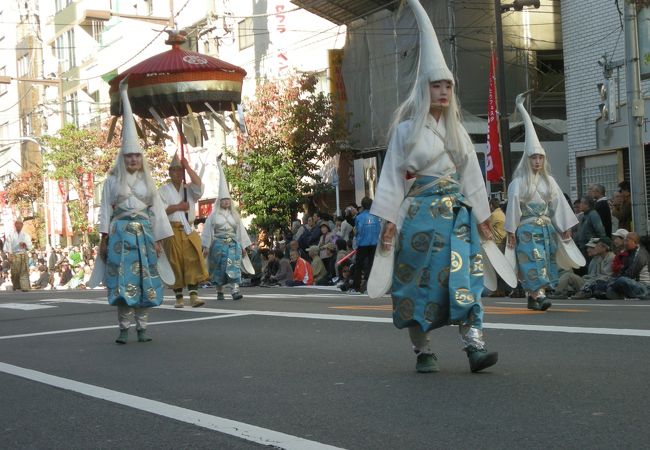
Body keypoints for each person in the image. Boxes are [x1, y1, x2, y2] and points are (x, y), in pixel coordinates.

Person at [369, 0, 504, 374]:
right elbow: (393, 178)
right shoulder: (405, 131)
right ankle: (423, 349)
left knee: (466, 277)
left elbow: (471, 177)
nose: (444, 91)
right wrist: (389, 221)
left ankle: (475, 346)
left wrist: (482, 216)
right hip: (418, 217)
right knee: (415, 284)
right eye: (437, 85)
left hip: (456, 218)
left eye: (448, 86)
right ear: (424, 88)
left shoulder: (457, 131)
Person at [97, 79, 173, 344]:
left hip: (144, 237)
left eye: (136, 156)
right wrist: (103, 239)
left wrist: (159, 242)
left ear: (141, 158)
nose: (132, 159)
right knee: (122, 280)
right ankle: (123, 328)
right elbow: (105, 210)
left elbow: (158, 214)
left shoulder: (148, 183)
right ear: (122, 157)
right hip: (120, 236)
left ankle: (142, 328)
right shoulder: (112, 181)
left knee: (144, 281)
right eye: (128, 155)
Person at [505, 92, 579, 312]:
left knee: (545, 260)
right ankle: (537, 294)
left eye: (540, 157)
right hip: (527, 228)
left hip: (546, 228)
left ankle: (536, 295)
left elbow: (557, 206)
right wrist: (511, 230)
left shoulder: (550, 182)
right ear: (527, 160)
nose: (537, 161)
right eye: (533, 158)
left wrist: (564, 227)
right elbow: (513, 208)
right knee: (531, 261)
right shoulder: (518, 183)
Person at [159, 154, 209, 308]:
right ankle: (179, 296)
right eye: (174, 170)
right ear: (169, 172)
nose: (178, 173)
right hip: (171, 230)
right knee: (175, 262)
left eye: (180, 171)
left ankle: (194, 296)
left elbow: (199, 184)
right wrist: (178, 207)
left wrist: (187, 166)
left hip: (188, 228)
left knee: (192, 259)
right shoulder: (162, 190)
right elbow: (160, 211)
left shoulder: (188, 189)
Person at [201, 160, 252, 301]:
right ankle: (219, 290)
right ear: (219, 202)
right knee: (219, 269)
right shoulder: (213, 216)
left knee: (234, 267)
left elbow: (240, 231)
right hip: (218, 245)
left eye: (228, 200)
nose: (226, 202)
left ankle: (235, 290)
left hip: (233, 244)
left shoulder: (235, 216)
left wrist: (243, 247)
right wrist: (206, 246)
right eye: (223, 200)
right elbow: (207, 231)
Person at [606, 232, 650, 299]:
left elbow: (630, 274)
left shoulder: (640, 254)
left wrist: (613, 282)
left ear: (634, 242)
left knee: (621, 280)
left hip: (643, 286)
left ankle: (643, 295)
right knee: (609, 289)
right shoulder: (629, 253)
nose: (625, 243)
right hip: (633, 284)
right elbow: (622, 270)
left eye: (627, 241)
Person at [352, 196, 381, 294]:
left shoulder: (359, 217)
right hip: (374, 243)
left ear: (362, 205)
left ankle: (356, 287)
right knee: (372, 264)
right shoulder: (377, 216)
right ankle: (371, 286)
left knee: (359, 266)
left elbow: (358, 231)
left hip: (363, 243)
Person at [5, 218, 33, 291]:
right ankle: (17, 285)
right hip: (14, 255)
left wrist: (25, 245)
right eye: (17, 224)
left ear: (22, 225)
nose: (18, 225)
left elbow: (30, 247)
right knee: (15, 272)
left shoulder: (26, 235)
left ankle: (25, 287)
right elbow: (8, 246)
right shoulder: (11, 235)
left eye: (20, 224)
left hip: (23, 254)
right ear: (15, 225)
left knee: (24, 271)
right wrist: (9, 255)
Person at [487, 197, 507, 297]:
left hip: (497, 244)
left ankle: (498, 291)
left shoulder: (494, 215)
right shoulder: (502, 214)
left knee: (496, 268)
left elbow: (486, 227)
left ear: (491, 205)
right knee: (502, 267)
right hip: (503, 243)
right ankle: (501, 290)